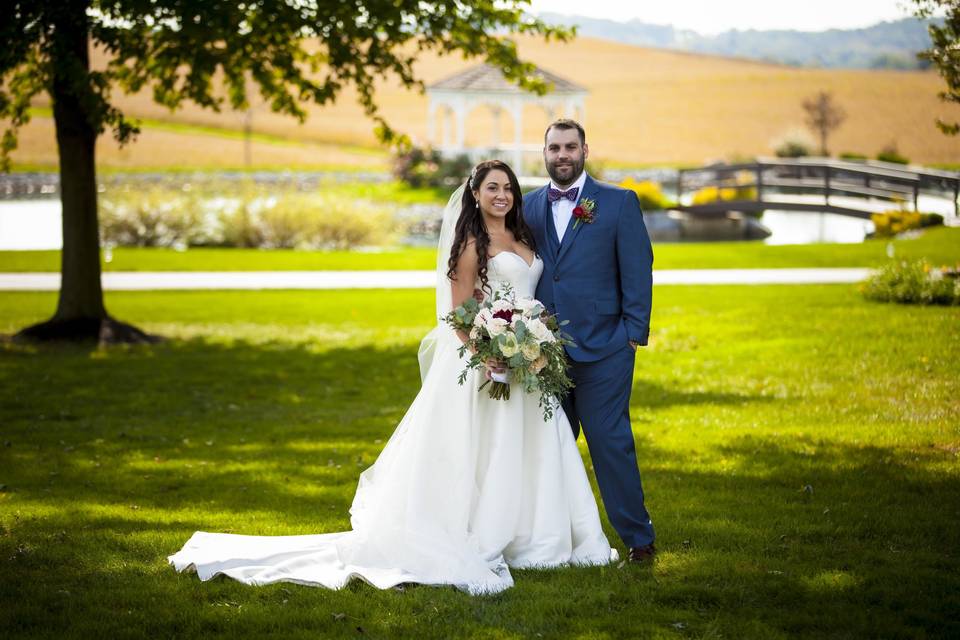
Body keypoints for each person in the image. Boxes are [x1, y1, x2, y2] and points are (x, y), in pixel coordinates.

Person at [168, 160, 616, 595]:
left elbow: (528, 291)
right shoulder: (471, 245)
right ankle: (493, 533)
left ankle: (540, 538)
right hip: (491, 365)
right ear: (475, 195)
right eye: (492, 188)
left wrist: (531, 339)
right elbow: (459, 315)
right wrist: (491, 355)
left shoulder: (521, 235)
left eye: (508, 188)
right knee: (491, 452)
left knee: (534, 449)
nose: (502, 196)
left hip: (528, 362)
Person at [522, 119, 657, 563]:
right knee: (547, 447)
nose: (562, 155)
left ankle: (638, 537)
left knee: (609, 441)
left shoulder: (618, 203)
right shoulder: (528, 207)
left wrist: (632, 336)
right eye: (554, 148)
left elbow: (638, 268)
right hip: (543, 353)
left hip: (606, 349)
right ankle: (550, 538)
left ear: (585, 150)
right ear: (544, 152)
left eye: (570, 147)